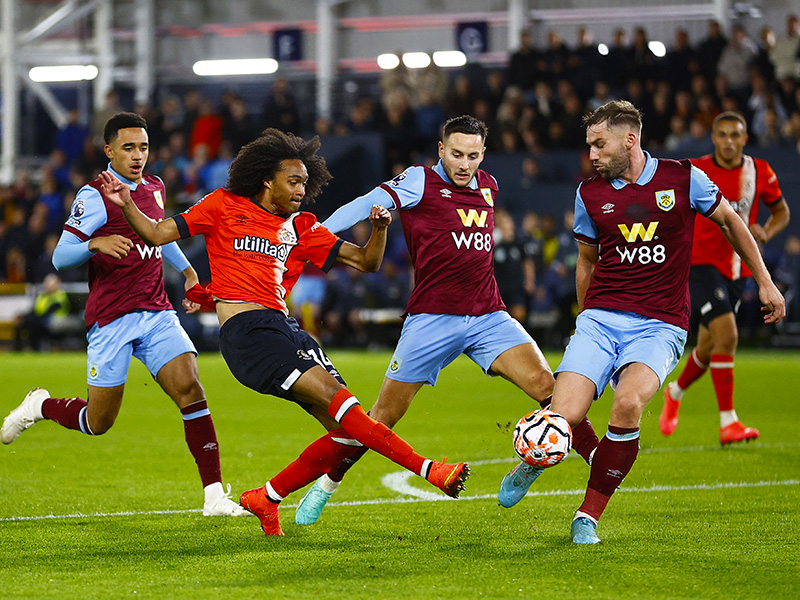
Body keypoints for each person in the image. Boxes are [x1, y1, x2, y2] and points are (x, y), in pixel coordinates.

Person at [99, 128, 470, 537]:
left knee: (349, 432)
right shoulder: (222, 206)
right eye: (292, 182)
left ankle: (268, 497)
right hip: (248, 333)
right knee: (341, 404)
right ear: (266, 180)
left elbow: (366, 262)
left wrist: (380, 228)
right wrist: (127, 203)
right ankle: (430, 470)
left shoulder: (302, 228)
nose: (300, 190)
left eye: (304, 183)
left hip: (285, 329)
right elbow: (155, 233)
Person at [497, 100, 784, 544]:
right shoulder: (589, 193)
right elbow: (586, 261)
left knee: (627, 405)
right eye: (589, 144)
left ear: (629, 139)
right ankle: (535, 459)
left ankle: (587, 515)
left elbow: (731, 221)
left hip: (660, 325)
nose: (591, 154)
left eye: (599, 143)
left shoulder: (683, 178)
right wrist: (585, 318)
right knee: (566, 413)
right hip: (600, 320)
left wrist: (765, 281)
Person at [293, 115, 599, 526]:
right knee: (381, 418)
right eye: (456, 154)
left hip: (489, 315)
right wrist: (316, 233)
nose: (464, 164)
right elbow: (363, 204)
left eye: (473, 156)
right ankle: (326, 485)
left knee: (549, 388)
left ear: (483, 155)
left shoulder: (489, 186)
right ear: (441, 150)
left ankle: (554, 461)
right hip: (431, 320)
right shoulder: (419, 181)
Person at [0, 112, 247, 517]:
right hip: (111, 318)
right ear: (109, 150)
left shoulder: (154, 186)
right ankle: (40, 406)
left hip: (155, 310)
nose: (138, 156)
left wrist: (186, 272)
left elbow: (158, 234)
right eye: (129, 148)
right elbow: (60, 257)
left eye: (144, 147)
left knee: (190, 388)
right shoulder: (93, 195)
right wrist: (95, 242)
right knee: (99, 422)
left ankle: (215, 496)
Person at [660, 112, 790, 444]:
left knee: (708, 345)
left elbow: (782, 211)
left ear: (745, 139)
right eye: (723, 135)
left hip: (737, 269)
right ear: (714, 138)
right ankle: (728, 422)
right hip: (697, 265)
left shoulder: (760, 171)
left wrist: (766, 230)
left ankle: (675, 392)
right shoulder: (694, 170)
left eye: (736, 135)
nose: (729, 141)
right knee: (727, 335)